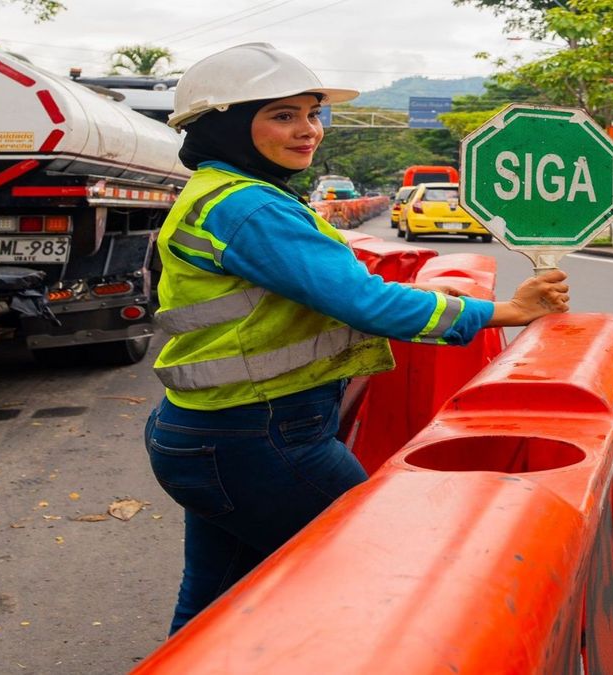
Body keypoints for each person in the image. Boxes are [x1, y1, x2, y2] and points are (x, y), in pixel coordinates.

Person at [144, 43, 570, 635]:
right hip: (260, 439)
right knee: (377, 575)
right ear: (228, 126)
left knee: (215, 603)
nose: (308, 130)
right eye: (283, 115)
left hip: (211, 432)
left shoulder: (225, 195)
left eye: (313, 113)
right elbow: (365, 302)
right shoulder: (249, 208)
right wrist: (502, 312)